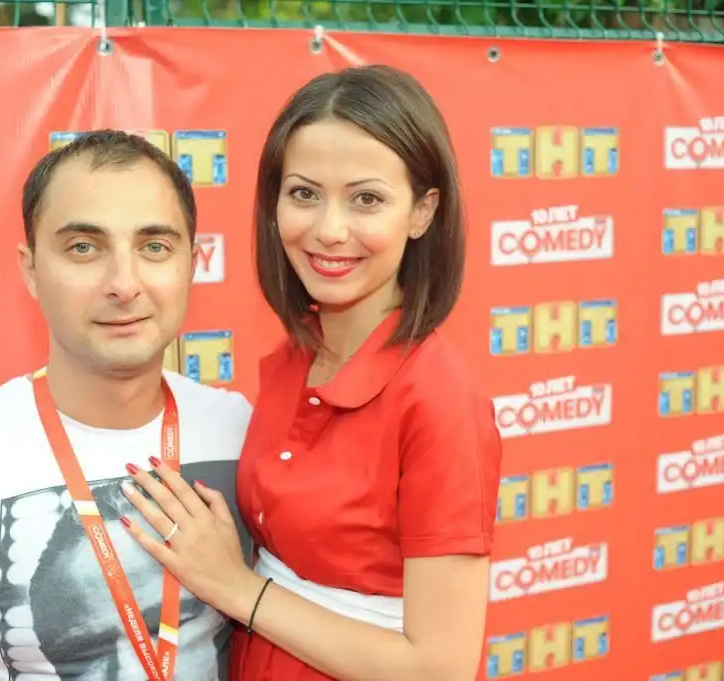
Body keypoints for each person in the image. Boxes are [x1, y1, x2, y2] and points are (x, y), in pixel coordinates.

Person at [116, 64, 503, 681]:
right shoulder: (296, 358)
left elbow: (440, 668)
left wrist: (236, 588)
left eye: (367, 199)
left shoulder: (439, 399)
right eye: (304, 194)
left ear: (423, 212)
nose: (329, 229)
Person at [0, 130, 254, 681]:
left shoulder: (245, 431)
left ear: (192, 263)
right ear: (31, 268)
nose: (123, 283)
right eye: (84, 247)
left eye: (154, 247)